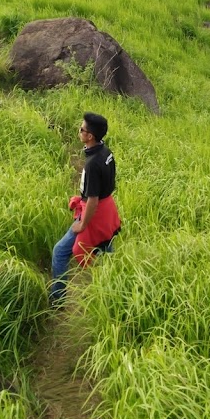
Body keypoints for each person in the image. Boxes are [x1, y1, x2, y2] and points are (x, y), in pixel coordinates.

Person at [48, 112, 121, 306]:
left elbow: (93, 200)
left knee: (60, 252)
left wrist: (82, 224)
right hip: (108, 212)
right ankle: (112, 291)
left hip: (95, 214)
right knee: (105, 250)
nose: (79, 132)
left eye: (82, 129)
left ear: (90, 136)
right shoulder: (106, 152)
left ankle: (58, 300)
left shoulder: (92, 164)